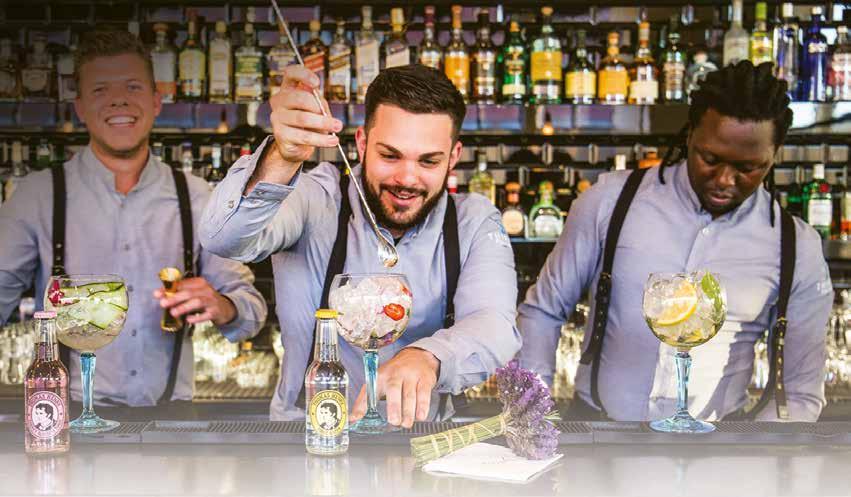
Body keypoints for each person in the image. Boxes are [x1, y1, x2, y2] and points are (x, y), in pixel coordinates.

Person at [200, 64, 520, 425]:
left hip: (424, 439)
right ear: (362, 143)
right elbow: (222, 238)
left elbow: (495, 324)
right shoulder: (315, 199)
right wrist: (281, 157)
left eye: (429, 161)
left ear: (453, 157)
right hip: (305, 437)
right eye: (390, 156)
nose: (407, 179)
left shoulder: (474, 221)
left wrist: (429, 356)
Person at [518, 61, 833, 422]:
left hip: (719, 443)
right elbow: (543, 311)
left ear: (774, 155)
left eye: (748, 168)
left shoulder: (796, 246)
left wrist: (756, 451)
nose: (724, 179)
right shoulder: (609, 201)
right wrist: (532, 415)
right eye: (709, 159)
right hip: (599, 431)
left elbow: (799, 393)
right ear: (689, 136)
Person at [0, 30, 267, 406]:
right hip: (68, 418)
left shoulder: (197, 196)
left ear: (157, 101)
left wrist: (223, 305)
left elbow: (252, 311)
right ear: (80, 107)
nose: (118, 100)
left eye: (132, 87)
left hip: (170, 422)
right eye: (100, 89)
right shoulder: (38, 196)